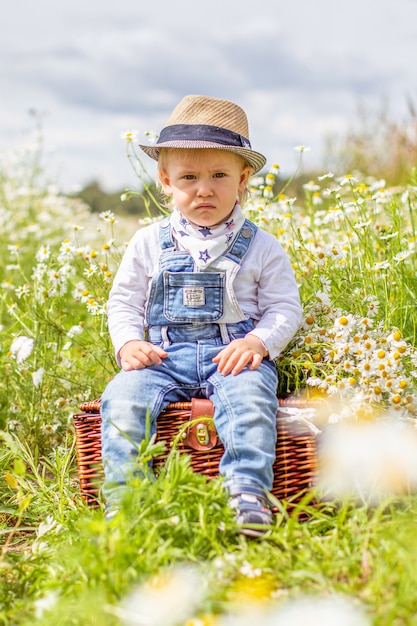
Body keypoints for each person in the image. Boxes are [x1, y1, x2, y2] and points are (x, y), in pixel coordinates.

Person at [101, 94, 302, 536]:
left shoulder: (262, 246)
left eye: (219, 175)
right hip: (162, 355)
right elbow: (124, 301)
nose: (204, 188)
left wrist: (259, 343)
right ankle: (127, 499)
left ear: (243, 178)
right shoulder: (149, 242)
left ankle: (246, 493)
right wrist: (129, 343)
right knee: (123, 399)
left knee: (251, 403)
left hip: (233, 356)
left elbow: (284, 307)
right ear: (166, 181)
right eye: (189, 177)